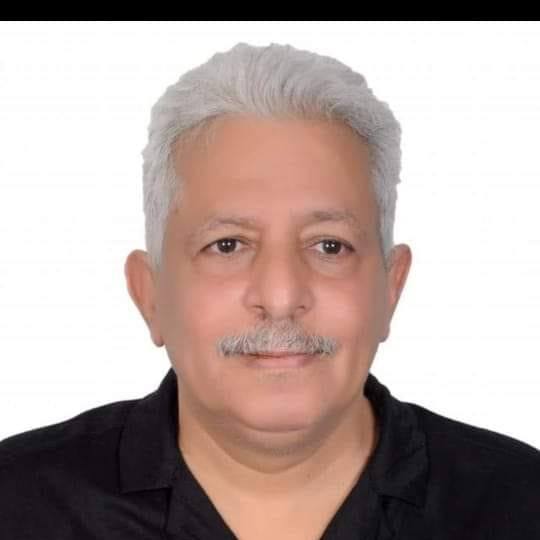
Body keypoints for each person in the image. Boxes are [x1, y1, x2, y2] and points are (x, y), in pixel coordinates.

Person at [0, 42, 539, 540]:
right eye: (228, 245)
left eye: (329, 246)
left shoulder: (518, 504)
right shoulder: (19, 504)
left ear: (391, 288)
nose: (281, 297)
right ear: (150, 294)